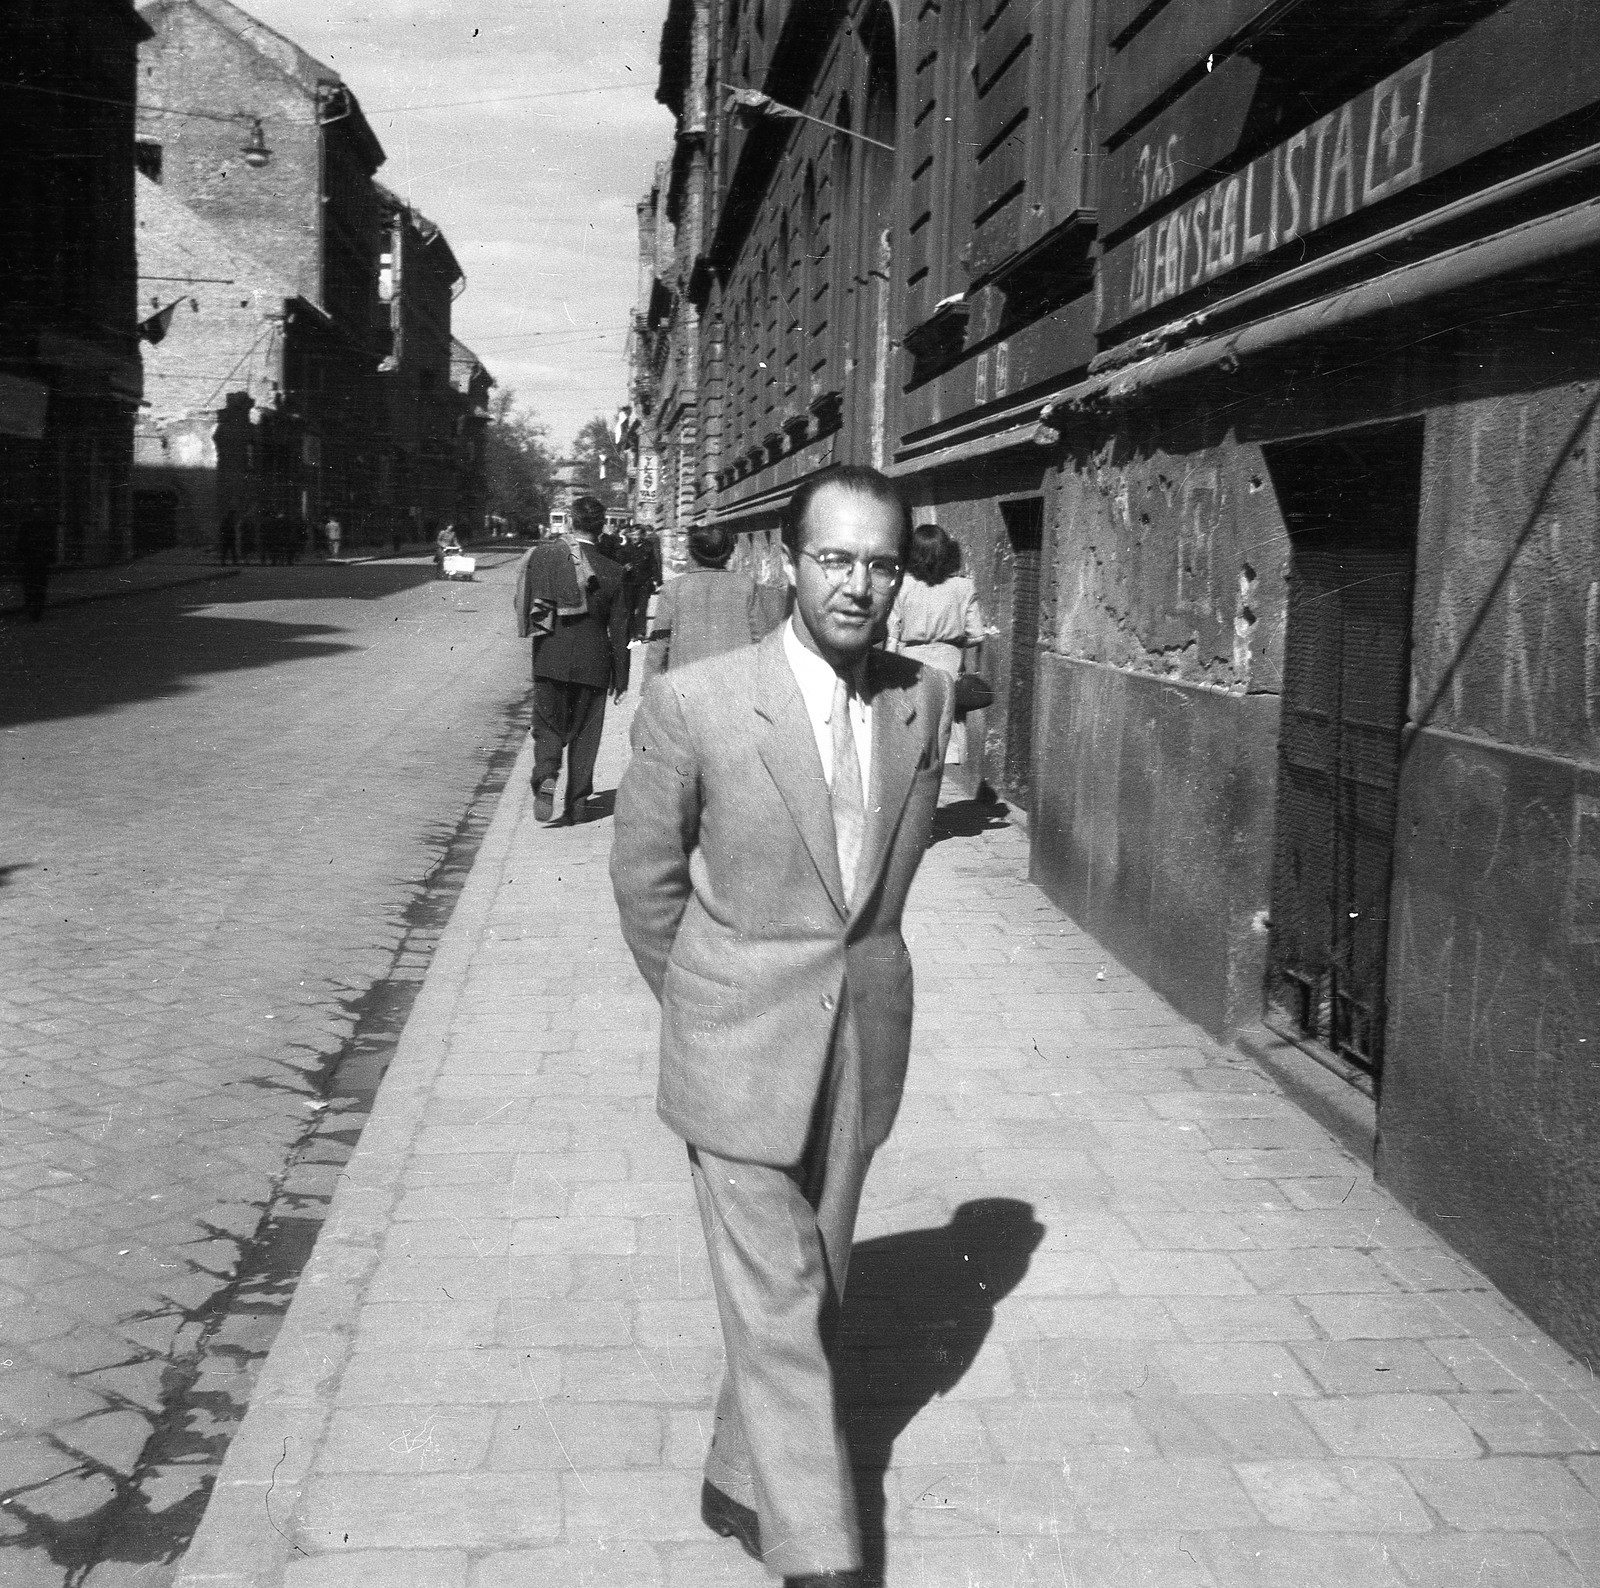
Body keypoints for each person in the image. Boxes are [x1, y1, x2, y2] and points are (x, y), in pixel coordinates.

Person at [610, 465, 953, 1587]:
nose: (857, 584)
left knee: (817, 1289)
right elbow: (646, 883)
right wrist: (711, 1005)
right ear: (787, 564)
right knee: (779, 1303)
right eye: (835, 558)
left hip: (860, 1034)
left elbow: (880, 891)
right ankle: (819, 1555)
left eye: (880, 563)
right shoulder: (696, 702)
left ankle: (735, 1475)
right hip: (734, 1043)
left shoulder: (922, 698)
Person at [514, 494, 630, 825]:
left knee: (548, 725)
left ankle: (547, 773)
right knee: (585, 736)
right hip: (595, 663)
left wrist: (541, 653)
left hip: (551, 657)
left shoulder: (548, 558)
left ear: (570, 522)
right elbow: (620, 632)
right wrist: (621, 679)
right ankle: (577, 805)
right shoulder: (614, 571)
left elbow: (537, 609)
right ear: (603, 527)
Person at [887, 523, 986, 764]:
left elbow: (892, 635)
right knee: (943, 732)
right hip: (948, 666)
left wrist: (887, 674)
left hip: (909, 665)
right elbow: (976, 636)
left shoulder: (901, 587)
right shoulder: (964, 587)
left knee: (912, 731)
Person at [642, 521, 785, 683]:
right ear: (729, 552)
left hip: (685, 681)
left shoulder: (673, 588)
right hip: (734, 680)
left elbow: (659, 642)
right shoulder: (745, 585)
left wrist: (649, 684)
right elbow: (759, 636)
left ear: (693, 554)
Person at [17, 517, 54, 621]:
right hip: (29, 561)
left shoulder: (46, 527)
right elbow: (21, 542)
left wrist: (49, 557)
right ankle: (31, 605)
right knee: (29, 585)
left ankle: (37, 608)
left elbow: (51, 543)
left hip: (41, 562)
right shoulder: (26, 527)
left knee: (40, 586)